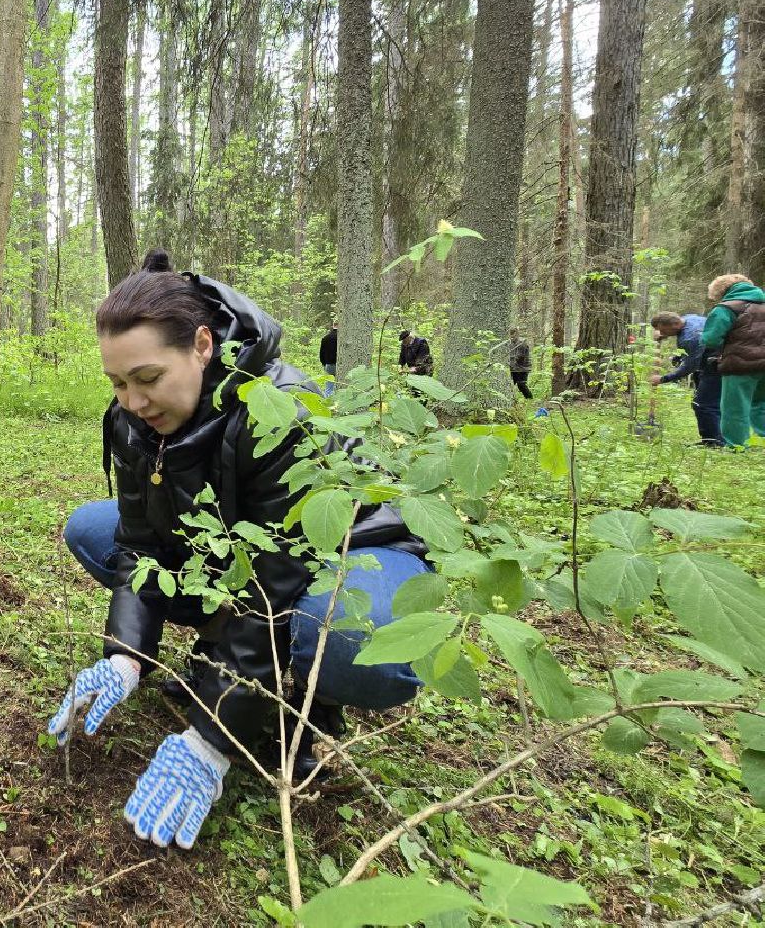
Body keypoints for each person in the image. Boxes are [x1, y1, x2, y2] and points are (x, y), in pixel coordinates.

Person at [51, 252, 430, 850]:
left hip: (354, 553)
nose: (133, 402)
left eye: (148, 379)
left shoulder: (280, 412)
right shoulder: (130, 424)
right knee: (91, 529)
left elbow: (271, 587)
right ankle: (236, 662)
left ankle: (303, 706)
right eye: (118, 383)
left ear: (202, 345)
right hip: (239, 550)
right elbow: (138, 546)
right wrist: (126, 655)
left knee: (355, 640)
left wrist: (210, 739)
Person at [700, 274, 765, 449]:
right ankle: (762, 442)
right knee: (761, 404)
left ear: (722, 291)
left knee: (735, 409)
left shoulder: (726, 308)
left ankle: (737, 446)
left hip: (739, 365)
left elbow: (711, 339)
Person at [648, 311, 722, 447]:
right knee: (713, 403)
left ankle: (713, 442)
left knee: (703, 404)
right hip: (713, 362)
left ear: (675, 324)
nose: (662, 333)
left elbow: (690, 366)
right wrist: (663, 335)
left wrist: (663, 378)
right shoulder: (689, 318)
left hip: (715, 366)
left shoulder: (690, 337)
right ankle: (716, 439)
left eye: (663, 330)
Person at [507, 328, 533, 399]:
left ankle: (530, 399)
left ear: (517, 334)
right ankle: (514, 400)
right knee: (512, 384)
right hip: (513, 368)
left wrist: (509, 363)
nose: (512, 336)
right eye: (510, 334)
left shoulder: (522, 344)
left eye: (513, 333)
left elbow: (520, 358)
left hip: (522, 369)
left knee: (521, 384)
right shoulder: (510, 344)